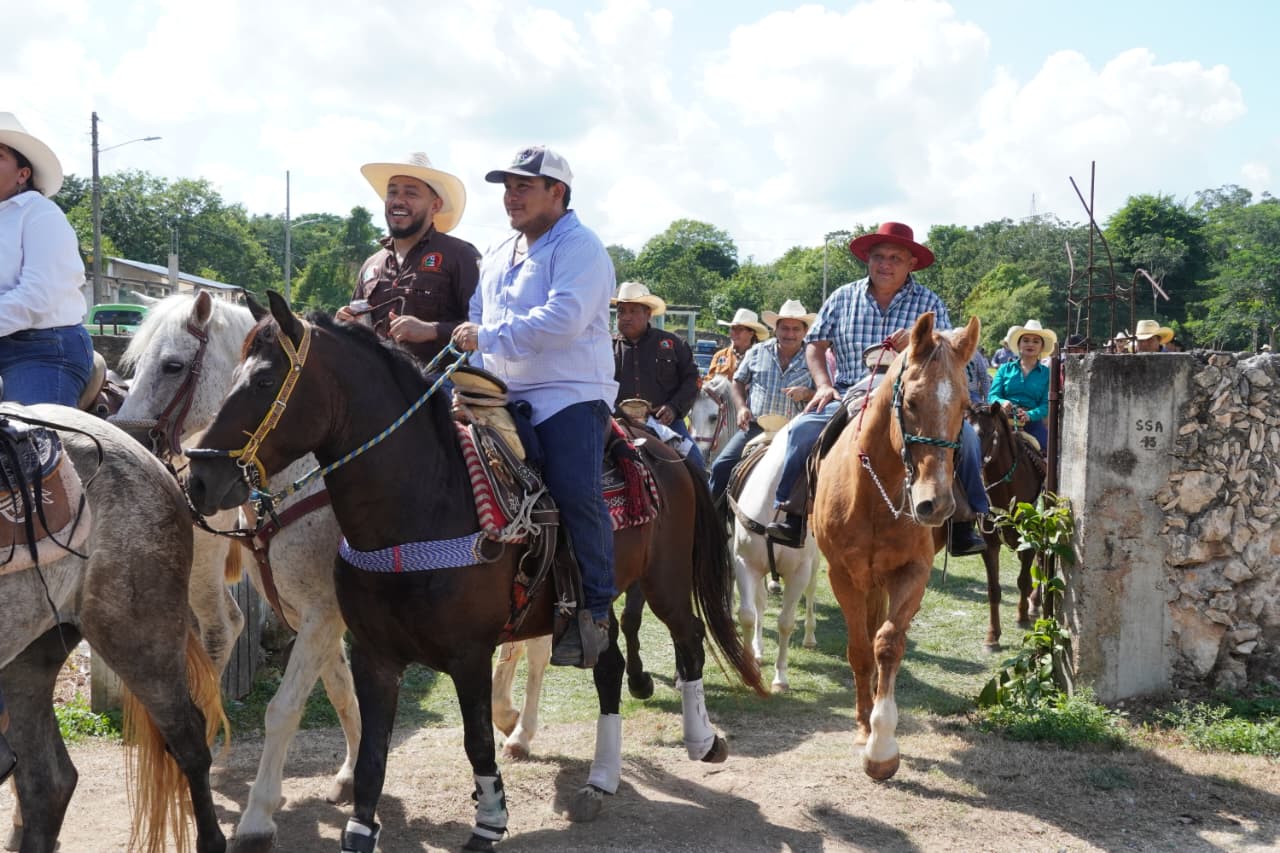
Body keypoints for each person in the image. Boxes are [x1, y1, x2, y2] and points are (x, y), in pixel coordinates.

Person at [452, 145, 616, 669]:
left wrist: (486, 336)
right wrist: (473, 365)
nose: (511, 197)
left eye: (523, 186)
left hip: (568, 392)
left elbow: (562, 320)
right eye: (507, 188)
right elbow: (477, 311)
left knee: (575, 490)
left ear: (557, 192)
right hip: (500, 389)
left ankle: (595, 610)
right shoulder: (499, 250)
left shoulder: (581, 247)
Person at [763, 222, 989, 555]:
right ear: (867, 260)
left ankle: (965, 522)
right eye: (879, 257)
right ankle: (792, 513)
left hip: (912, 398)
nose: (885, 264)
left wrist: (918, 341)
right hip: (850, 393)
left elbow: (946, 355)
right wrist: (823, 385)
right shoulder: (843, 297)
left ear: (911, 263)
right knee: (802, 430)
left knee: (967, 438)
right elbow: (815, 345)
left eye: (896, 258)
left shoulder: (930, 302)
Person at [336, 153, 480, 364]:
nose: (398, 200)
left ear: (435, 205)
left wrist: (431, 330)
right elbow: (359, 335)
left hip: (442, 380)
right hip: (377, 380)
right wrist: (344, 326)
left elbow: (485, 328)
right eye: (392, 192)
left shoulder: (460, 255)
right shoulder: (371, 265)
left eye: (411, 194)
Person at [0, 113, 93, 406]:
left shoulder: (39, 212)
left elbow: (38, 295)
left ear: (23, 174)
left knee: (28, 429)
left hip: (41, 348)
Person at [708, 299, 816, 501]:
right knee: (721, 465)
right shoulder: (757, 351)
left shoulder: (814, 356)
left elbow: (825, 392)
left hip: (796, 430)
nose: (790, 334)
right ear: (776, 329)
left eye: (795, 329)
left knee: (816, 473)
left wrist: (807, 393)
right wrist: (741, 408)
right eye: (785, 328)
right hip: (757, 426)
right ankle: (713, 515)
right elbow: (738, 381)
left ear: (805, 332)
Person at [612, 281, 705, 469]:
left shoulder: (673, 343)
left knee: (696, 463)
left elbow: (692, 380)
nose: (626, 317)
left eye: (633, 311)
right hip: (617, 423)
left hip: (664, 424)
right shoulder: (605, 346)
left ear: (648, 314)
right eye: (621, 311)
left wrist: (673, 407)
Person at [989, 319, 1056, 451]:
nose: (1030, 344)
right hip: (1003, 420)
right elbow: (993, 396)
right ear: (1019, 344)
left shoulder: (1047, 374)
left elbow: (1046, 405)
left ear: (1041, 347)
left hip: (1032, 423)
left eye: (1036, 341)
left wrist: (1030, 415)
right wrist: (1002, 402)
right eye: (1026, 340)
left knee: (1048, 453)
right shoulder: (1004, 369)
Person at [707, 308, 768, 381]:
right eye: (733, 328)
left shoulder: (760, 359)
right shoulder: (720, 355)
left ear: (751, 333)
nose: (734, 333)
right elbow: (709, 380)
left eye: (740, 329)